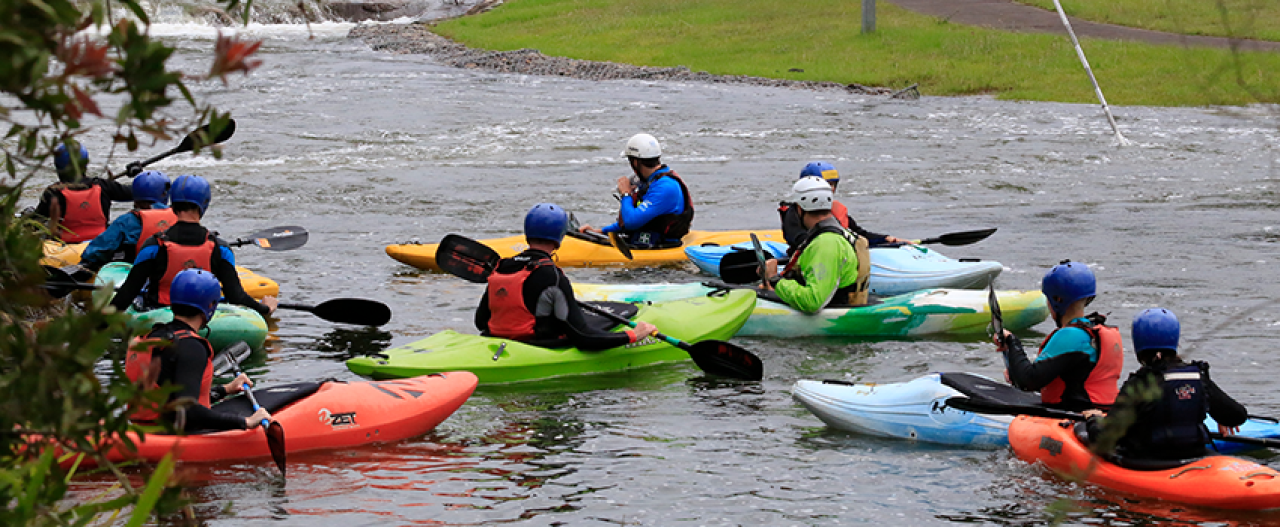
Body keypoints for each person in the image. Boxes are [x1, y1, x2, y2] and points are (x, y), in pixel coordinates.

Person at [478, 203, 660, 349]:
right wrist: (633, 335)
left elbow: (481, 321)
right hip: (538, 344)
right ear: (559, 237)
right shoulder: (552, 275)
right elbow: (584, 337)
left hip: (500, 341)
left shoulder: (502, 266)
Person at [1085, 308, 1247, 460]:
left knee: (1081, 432)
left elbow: (1103, 439)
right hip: (1194, 457)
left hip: (1146, 463)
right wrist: (1216, 411)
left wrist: (1093, 419)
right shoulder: (1197, 376)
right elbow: (1237, 416)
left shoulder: (1140, 383)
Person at [109, 174, 277, 317]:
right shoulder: (220, 248)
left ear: (172, 203)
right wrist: (265, 308)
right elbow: (236, 296)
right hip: (203, 316)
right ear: (204, 203)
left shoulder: (154, 245)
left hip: (159, 314)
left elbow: (125, 296)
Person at [125, 268, 272, 432]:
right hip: (171, 436)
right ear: (210, 306)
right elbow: (188, 411)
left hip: (140, 429)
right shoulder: (191, 347)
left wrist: (225, 390)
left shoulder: (151, 337)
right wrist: (245, 422)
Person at [993, 260, 1124, 412]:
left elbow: (1028, 381)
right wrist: (1015, 370)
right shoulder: (1101, 332)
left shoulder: (1070, 335)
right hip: (1103, 415)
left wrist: (1012, 341)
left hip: (1075, 417)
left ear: (1057, 300)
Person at [760, 177, 870, 313]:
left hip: (835, 310)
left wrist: (774, 279)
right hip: (840, 300)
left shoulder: (826, 243)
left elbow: (813, 302)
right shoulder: (839, 233)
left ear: (799, 209)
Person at [577, 134, 694, 248]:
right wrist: (602, 231)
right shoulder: (651, 181)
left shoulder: (665, 187)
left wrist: (626, 194)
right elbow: (640, 218)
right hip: (647, 240)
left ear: (636, 162)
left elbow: (631, 222)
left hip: (661, 245)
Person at [778, 161, 906, 254]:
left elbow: (859, 233)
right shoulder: (796, 212)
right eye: (827, 184)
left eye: (833, 184)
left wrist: (886, 239)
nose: (831, 188)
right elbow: (797, 239)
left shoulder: (834, 210)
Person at [34, 142, 133, 243]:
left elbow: (34, 223)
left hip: (67, 250)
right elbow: (136, 192)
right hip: (100, 246)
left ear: (58, 166)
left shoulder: (53, 193)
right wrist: (136, 173)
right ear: (85, 165)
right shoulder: (103, 185)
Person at [79, 170, 178, 271]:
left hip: (137, 276)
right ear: (165, 194)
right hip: (171, 273)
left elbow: (96, 252)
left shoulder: (126, 221)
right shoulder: (178, 217)